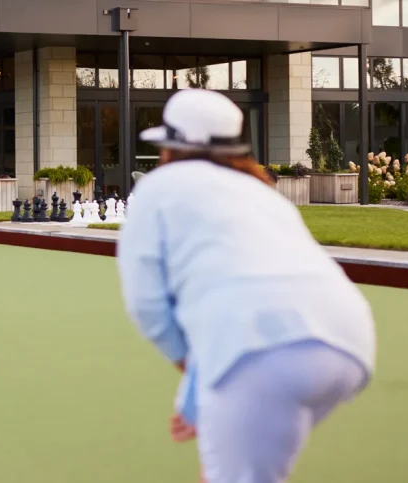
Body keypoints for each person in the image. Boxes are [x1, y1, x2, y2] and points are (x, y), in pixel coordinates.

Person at [116, 89, 376, 483]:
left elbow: (148, 306)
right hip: (350, 343)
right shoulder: (261, 192)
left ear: (169, 147)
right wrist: (202, 399)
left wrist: (199, 384)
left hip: (261, 354)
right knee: (226, 470)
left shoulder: (157, 188)